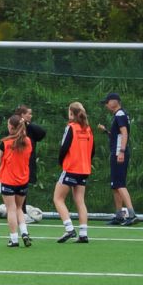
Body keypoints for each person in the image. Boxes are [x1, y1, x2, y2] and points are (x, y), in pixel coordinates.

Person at [54, 101, 94, 243]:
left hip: (71, 168)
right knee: (80, 200)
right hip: (84, 169)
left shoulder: (71, 127)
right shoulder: (88, 129)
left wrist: (61, 162)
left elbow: (64, 147)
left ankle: (69, 228)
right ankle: (83, 234)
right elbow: (92, 150)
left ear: (71, 113)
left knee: (58, 198)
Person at [0, 113, 34, 248]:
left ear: (12, 128)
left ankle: (14, 239)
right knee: (19, 208)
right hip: (23, 180)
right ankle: (24, 232)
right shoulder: (28, 141)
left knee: (11, 209)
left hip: (8, 180)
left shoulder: (5, 142)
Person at [104, 93, 136, 225]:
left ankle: (132, 214)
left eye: (107, 102)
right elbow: (117, 135)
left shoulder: (120, 114)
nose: (106, 105)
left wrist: (121, 151)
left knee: (120, 184)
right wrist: (106, 131)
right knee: (115, 185)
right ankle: (119, 215)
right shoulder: (119, 115)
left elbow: (124, 133)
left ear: (114, 102)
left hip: (119, 153)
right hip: (117, 152)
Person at [14, 105, 46, 222]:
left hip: (28, 162)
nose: (31, 116)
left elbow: (42, 133)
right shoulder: (14, 127)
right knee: (17, 187)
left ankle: (21, 211)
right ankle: (18, 212)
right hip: (17, 163)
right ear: (22, 115)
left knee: (24, 187)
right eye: (28, 113)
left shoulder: (30, 129)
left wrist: (27, 124)